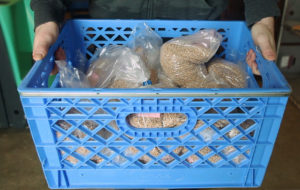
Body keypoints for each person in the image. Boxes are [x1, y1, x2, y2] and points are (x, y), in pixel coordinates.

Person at [31, 0, 280, 75]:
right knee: (123, 150)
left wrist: (262, 21)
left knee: (188, 149)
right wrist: (46, 20)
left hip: (196, 39)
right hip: (114, 41)